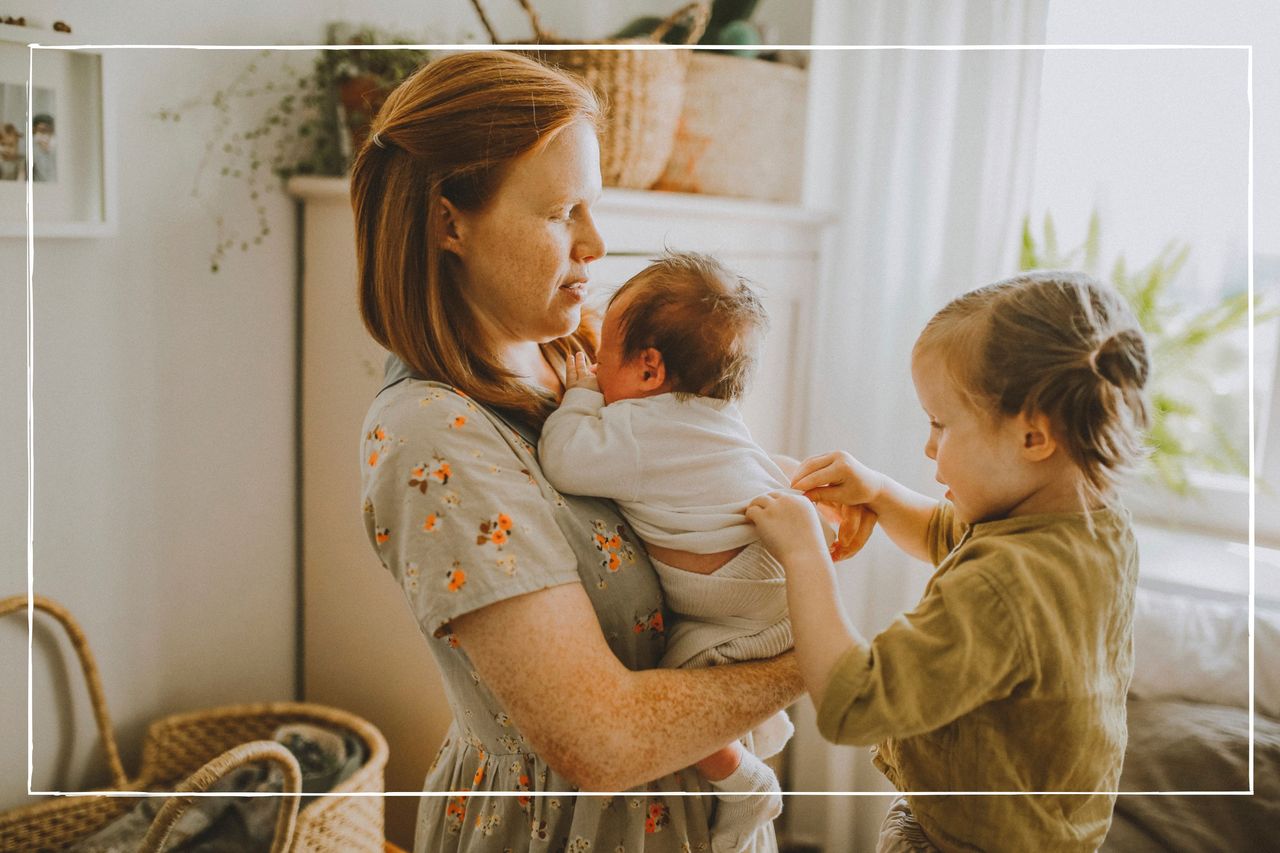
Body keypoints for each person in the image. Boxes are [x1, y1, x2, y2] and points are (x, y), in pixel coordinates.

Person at [352, 51, 802, 853]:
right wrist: (827, 657)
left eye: (592, 207)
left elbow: (688, 472)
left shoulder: (575, 355)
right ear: (449, 222)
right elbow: (599, 742)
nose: (596, 244)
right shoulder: (433, 436)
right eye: (563, 212)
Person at [746, 271, 1149, 852]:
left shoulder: (1003, 585)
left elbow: (853, 704)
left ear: (1034, 436)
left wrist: (804, 550)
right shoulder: (1094, 528)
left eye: (941, 424)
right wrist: (879, 494)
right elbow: (948, 534)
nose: (929, 447)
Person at [539, 252, 847, 852]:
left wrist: (578, 396)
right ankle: (752, 754)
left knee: (678, 693)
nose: (594, 368)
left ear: (649, 369)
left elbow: (563, 459)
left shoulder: (634, 429)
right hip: (776, 586)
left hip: (735, 598)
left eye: (602, 356)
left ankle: (744, 783)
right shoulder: (718, 417)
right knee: (730, 686)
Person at [31, 113, 55, 182]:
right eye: (42, 130)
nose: (45, 136)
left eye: (48, 131)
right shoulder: (31, 149)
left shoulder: (56, 148)